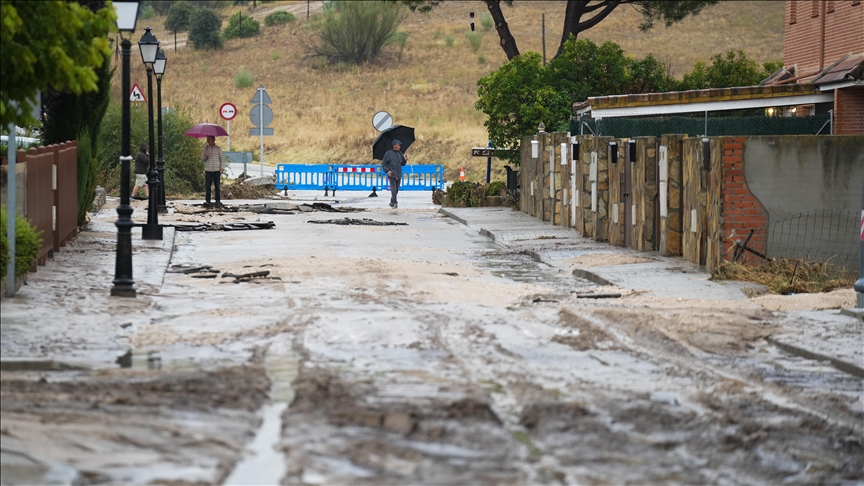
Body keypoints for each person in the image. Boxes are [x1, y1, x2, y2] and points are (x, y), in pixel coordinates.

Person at [380, 139, 407, 209]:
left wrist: (405, 160)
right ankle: (395, 203)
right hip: (391, 174)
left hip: (399, 174)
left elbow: (402, 164)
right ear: (394, 145)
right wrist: (387, 171)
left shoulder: (400, 153)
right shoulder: (388, 154)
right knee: (393, 189)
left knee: (397, 189)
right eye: (398, 145)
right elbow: (383, 164)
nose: (399, 147)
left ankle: (392, 201)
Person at [200, 135, 226, 209]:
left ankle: (217, 200)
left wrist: (222, 168)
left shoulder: (218, 149)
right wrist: (205, 155)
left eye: (210, 139)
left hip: (216, 170)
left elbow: (222, 159)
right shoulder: (205, 149)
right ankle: (208, 201)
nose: (209, 140)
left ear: (213, 140)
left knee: (217, 186)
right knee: (208, 186)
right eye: (208, 139)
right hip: (208, 170)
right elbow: (202, 159)